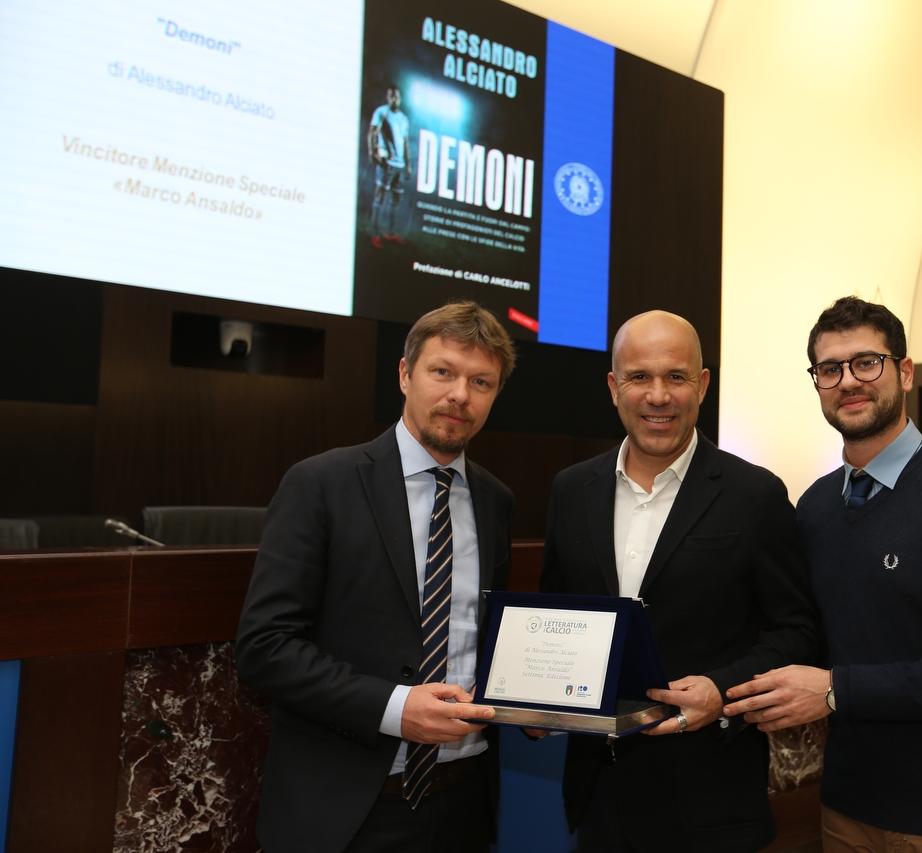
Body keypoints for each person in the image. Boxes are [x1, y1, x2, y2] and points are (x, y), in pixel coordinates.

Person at [723, 296, 922, 852]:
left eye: (866, 362)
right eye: (830, 369)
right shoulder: (815, 508)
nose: (848, 381)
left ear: (903, 371)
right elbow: (804, 635)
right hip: (850, 811)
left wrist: (836, 691)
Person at [236, 301, 516, 853]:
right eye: (443, 372)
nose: (460, 394)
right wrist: (396, 708)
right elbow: (264, 647)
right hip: (346, 809)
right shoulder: (321, 483)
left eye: (481, 381)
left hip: (463, 802)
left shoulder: (496, 500)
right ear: (405, 374)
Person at [540, 310, 820, 852]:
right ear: (613, 387)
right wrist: (535, 695)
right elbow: (558, 615)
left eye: (676, 377)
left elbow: (798, 633)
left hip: (711, 800)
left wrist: (722, 688)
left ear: (703, 385)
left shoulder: (754, 495)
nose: (658, 395)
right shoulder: (571, 491)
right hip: (598, 793)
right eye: (640, 377)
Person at [367, 85, 412, 248]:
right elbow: (372, 132)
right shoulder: (381, 112)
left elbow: (406, 142)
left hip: (400, 165)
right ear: (387, 97)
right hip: (387, 162)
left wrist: (408, 165)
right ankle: (375, 235)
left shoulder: (403, 118)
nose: (394, 99)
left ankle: (390, 233)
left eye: (397, 97)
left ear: (400, 99)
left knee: (395, 200)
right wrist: (373, 153)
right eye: (391, 96)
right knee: (379, 197)